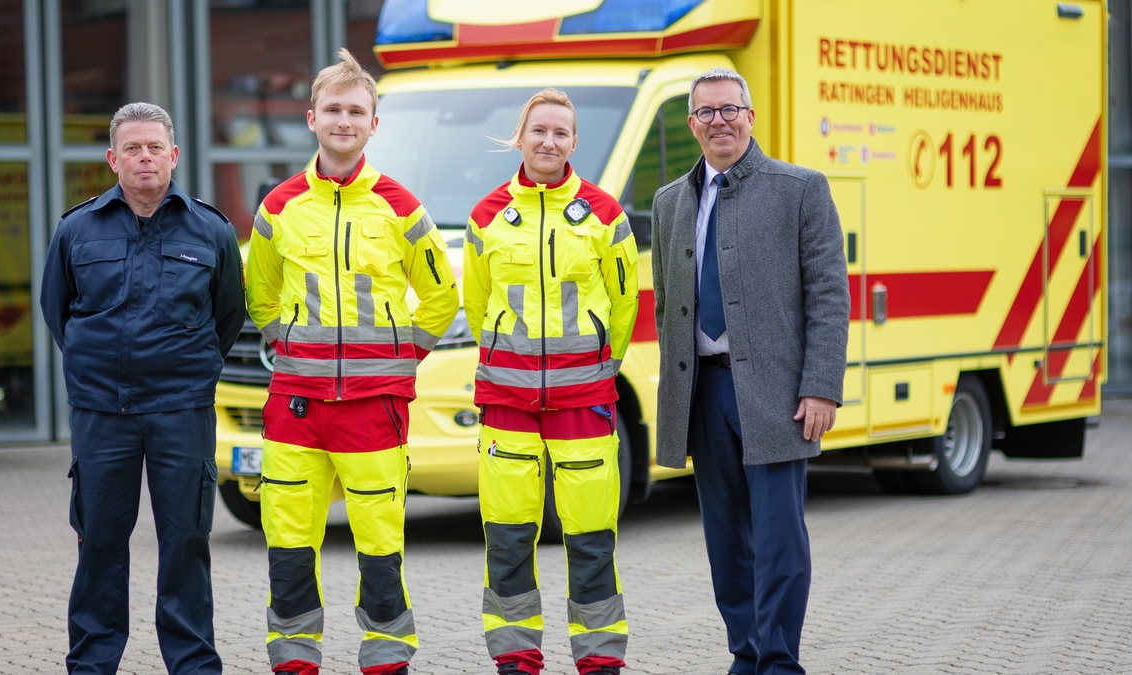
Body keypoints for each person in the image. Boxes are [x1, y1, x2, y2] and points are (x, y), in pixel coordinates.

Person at [244, 48, 459, 675]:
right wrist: (294, 351)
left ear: (373, 123)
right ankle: (293, 664)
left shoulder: (401, 206)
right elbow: (259, 295)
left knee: (380, 548)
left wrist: (400, 356)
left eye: (356, 110)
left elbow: (443, 296)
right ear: (311, 118)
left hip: (374, 410)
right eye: (333, 109)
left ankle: (387, 663)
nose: (344, 119)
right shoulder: (278, 206)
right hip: (295, 409)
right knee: (287, 546)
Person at [650, 69, 850, 675]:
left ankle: (780, 660)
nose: (720, 121)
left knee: (779, 538)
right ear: (692, 124)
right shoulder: (669, 202)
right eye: (707, 112)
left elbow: (829, 294)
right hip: (704, 391)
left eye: (730, 109)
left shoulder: (801, 189)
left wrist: (820, 387)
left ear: (750, 116)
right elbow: (666, 301)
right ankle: (746, 651)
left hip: (777, 395)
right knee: (725, 541)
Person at [40, 101, 245, 675]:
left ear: (174, 155)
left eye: (155, 146)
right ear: (113, 159)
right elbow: (58, 312)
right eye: (132, 148)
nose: (145, 157)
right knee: (100, 541)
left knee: (185, 541)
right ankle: (92, 663)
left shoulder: (212, 229)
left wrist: (189, 368)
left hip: (182, 410)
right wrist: (98, 370)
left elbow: (227, 316)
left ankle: (193, 664)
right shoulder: (76, 228)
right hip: (103, 412)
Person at [462, 88, 640, 675]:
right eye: (539, 130)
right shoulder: (486, 216)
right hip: (506, 398)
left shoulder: (605, 214)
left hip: (583, 397)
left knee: (591, 538)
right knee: (508, 539)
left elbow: (623, 303)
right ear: (521, 136)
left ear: (574, 142)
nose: (549, 141)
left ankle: (599, 662)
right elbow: (477, 300)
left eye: (561, 132)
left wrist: (596, 366)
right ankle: (515, 658)